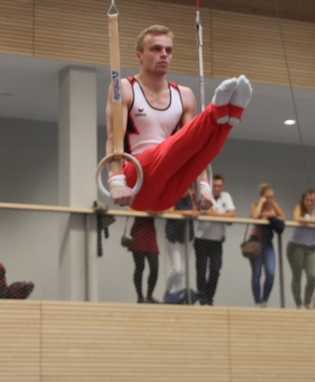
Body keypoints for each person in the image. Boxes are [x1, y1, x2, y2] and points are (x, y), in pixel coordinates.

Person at [105, 25, 252, 212]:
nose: (164, 54)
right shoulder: (124, 88)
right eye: (156, 49)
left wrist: (204, 187)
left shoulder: (184, 95)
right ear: (139, 56)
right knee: (167, 150)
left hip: (169, 192)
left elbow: (193, 144)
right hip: (137, 182)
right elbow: (114, 137)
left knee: (196, 146)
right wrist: (116, 180)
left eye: (168, 50)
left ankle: (227, 121)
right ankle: (214, 112)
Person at [194, 174, 235, 305]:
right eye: (215, 186)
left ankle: (209, 298)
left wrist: (216, 214)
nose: (217, 188)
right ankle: (202, 298)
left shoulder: (226, 196)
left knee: (215, 270)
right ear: (211, 186)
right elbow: (207, 212)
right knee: (201, 270)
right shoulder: (204, 195)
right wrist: (223, 215)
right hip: (201, 238)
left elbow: (232, 217)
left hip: (217, 240)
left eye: (219, 186)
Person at [248, 183, 286, 308]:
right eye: (267, 197)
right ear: (261, 196)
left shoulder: (273, 206)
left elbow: (283, 217)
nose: (269, 200)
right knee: (257, 273)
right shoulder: (255, 205)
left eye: (271, 197)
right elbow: (255, 216)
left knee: (270, 273)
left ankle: (264, 300)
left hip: (267, 242)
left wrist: (270, 213)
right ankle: (257, 302)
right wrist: (261, 202)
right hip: (255, 241)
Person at [163, 188, 199, 299]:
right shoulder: (173, 194)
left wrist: (194, 212)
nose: (185, 191)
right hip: (173, 236)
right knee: (177, 268)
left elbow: (196, 211)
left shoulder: (192, 196)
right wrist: (185, 213)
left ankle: (178, 296)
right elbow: (169, 211)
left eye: (187, 188)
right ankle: (167, 291)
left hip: (187, 236)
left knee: (183, 269)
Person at [130, 215, 160, 303]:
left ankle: (149, 296)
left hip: (150, 232)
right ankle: (140, 296)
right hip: (139, 231)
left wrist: (154, 211)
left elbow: (161, 209)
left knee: (154, 267)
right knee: (140, 266)